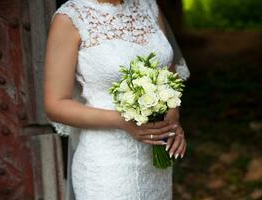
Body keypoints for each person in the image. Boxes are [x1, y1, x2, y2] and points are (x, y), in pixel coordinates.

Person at [43, 0, 190, 199]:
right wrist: (122, 121)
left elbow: (169, 76)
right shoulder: (70, 18)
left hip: (155, 159)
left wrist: (172, 119)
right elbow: (55, 104)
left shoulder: (148, 6)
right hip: (108, 164)